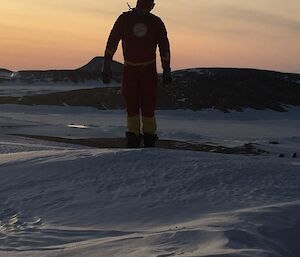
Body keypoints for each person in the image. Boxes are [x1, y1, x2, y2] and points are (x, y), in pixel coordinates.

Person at [102, 0, 172, 148]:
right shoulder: (124, 19)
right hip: (130, 69)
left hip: (148, 70)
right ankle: (133, 136)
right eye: (141, 6)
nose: (143, 10)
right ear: (137, 3)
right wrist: (106, 64)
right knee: (131, 103)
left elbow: (164, 46)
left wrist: (166, 69)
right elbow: (112, 41)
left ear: (152, 7)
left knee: (148, 104)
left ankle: (149, 138)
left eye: (147, 7)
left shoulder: (156, 22)